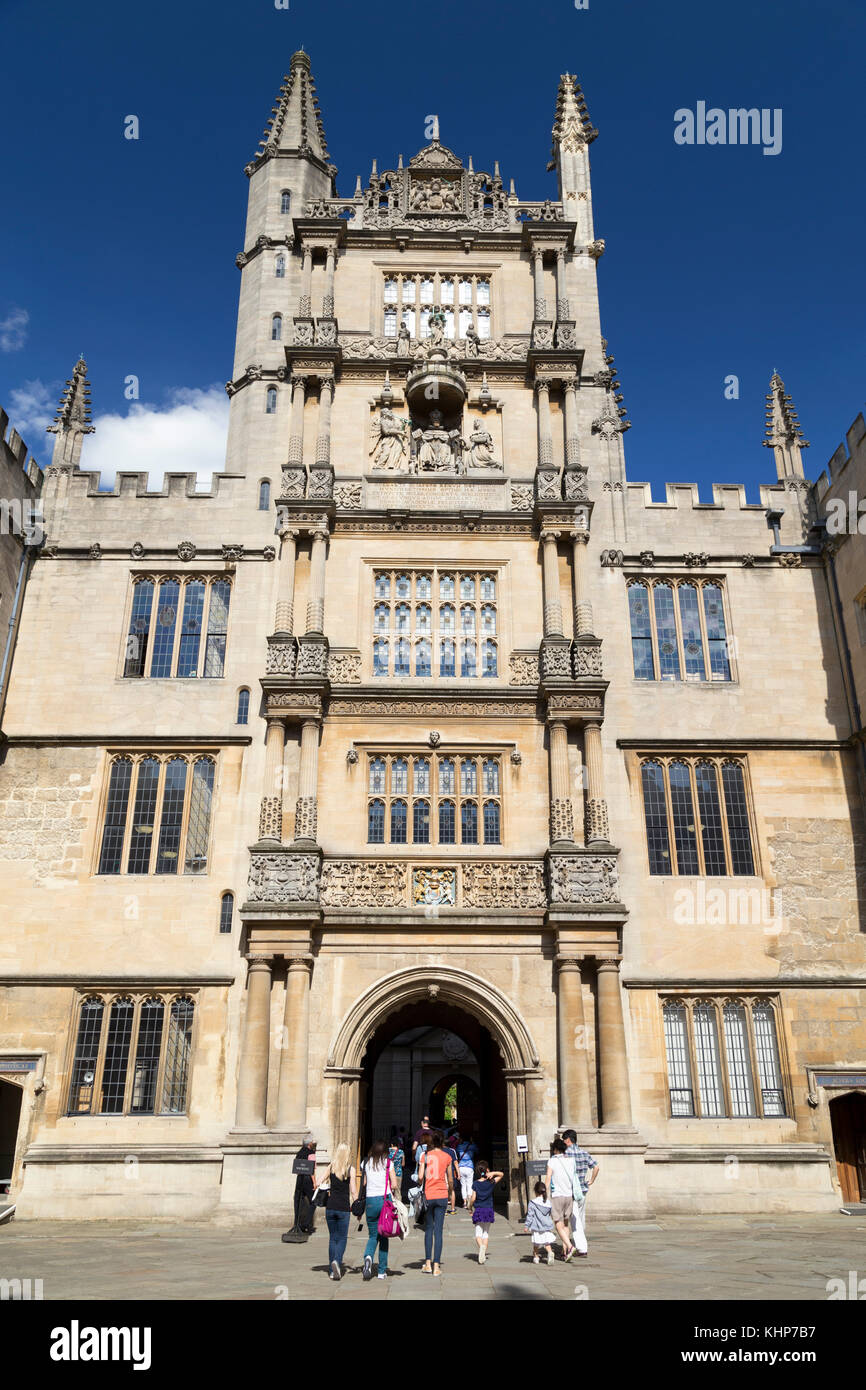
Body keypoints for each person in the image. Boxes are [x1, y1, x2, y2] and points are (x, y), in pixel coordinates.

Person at [361, 1138, 399, 1281]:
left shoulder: (365, 1163)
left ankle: (368, 1256)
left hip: (370, 1201)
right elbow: (394, 1185)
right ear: (384, 1151)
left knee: (372, 1235)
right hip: (384, 1201)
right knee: (384, 1236)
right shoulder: (388, 1163)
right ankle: (382, 1271)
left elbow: (364, 1182)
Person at [319, 1142, 357, 1280]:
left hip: (330, 1207)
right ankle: (337, 1261)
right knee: (342, 1239)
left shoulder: (331, 1167)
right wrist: (357, 1207)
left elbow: (318, 1181)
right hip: (343, 1208)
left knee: (332, 1238)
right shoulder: (350, 1169)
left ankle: (331, 1270)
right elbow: (353, 1191)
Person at [417, 1131, 454, 1276]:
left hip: (429, 1194)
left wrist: (421, 1181)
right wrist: (450, 1191)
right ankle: (437, 1266)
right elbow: (450, 1179)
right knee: (439, 1231)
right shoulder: (447, 1156)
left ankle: (427, 1263)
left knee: (429, 1229)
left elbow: (420, 1177)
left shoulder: (424, 1156)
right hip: (442, 1195)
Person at [562, 1128, 599, 1258]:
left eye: (564, 1140)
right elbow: (596, 1167)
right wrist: (591, 1181)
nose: (563, 1143)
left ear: (568, 1140)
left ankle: (582, 1248)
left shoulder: (566, 1154)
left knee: (575, 1221)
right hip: (583, 1191)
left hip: (571, 1192)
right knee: (580, 1219)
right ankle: (579, 1244)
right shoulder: (584, 1153)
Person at [467, 1159, 504, 1264]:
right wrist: (493, 1173)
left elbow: (473, 1198)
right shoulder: (491, 1182)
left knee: (478, 1233)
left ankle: (481, 1247)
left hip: (479, 1210)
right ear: (487, 1170)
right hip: (488, 1210)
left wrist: (470, 1207)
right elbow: (501, 1174)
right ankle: (483, 1252)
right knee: (486, 1233)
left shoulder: (475, 1184)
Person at [545, 1137, 576, 1261]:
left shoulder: (552, 1161)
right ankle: (565, 1251)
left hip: (557, 1195)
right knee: (566, 1223)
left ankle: (569, 1246)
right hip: (569, 1195)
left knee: (558, 1224)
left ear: (556, 1149)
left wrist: (544, 1194)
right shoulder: (570, 1160)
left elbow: (548, 1177)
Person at [524, 1180, 556, 1264]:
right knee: (547, 1243)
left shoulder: (532, 1203)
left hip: (537, 1227)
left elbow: (530, 1215)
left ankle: (536, 1257)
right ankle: (550, 1253)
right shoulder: (548, 1202)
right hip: (546, 1227)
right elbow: (550, 1214)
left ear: (535, 1191)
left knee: (536, 1243)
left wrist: (526, 1226)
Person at [291, 1136, 318, 1235]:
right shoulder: (311, 1153)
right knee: (314, 1201)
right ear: (310, 1144)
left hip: (299, 1178)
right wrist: (314, 1183)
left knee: (297, 1201)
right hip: (307, 1179)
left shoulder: (299, 1152)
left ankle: (296, 1223)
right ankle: (306, 1223)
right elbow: (312, 1169)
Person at [455, 1133, 478, 1208]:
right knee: (469, 1184)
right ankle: (469, 1201)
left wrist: (460, 1142)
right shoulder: (472, 1146)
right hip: (469, 1167)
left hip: (461, 1167)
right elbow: (477, 1151)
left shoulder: (459, 1146)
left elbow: (457, 1151)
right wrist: (472, 1142)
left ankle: (464, 1202)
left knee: (463, 1185)